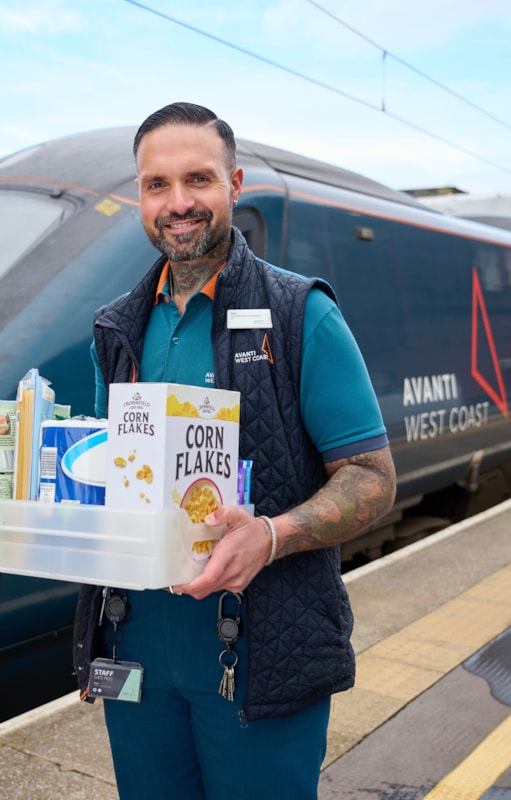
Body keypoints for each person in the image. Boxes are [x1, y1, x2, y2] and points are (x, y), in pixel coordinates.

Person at [73, 102, 396, 800]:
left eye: (199, 180)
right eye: (157, 185)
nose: (179, 203)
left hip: (260, 647)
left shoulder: (301, 314)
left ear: (235, 184)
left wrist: (273, 537)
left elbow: (372, 478)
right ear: (140, 196)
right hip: (135, 645)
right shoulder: (115, 329)